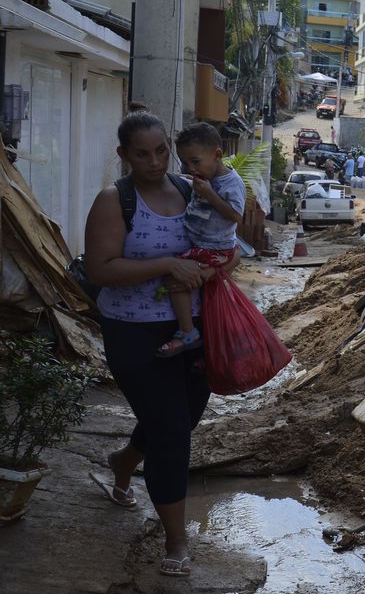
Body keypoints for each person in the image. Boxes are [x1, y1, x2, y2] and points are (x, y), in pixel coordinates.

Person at [84, 111, 232, 578]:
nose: (154, 162)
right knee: (170, 432)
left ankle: (122, 462)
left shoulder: (192, 190)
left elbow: (219, 243)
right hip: (133, 332)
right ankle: (176, 539)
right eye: (142, 154)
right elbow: (101, 270)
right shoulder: (115, 200)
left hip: (193, 330)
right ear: (123, 155)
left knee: (182, 420)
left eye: (161, 151)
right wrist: (168, 265)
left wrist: (213, 267)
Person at [155, 122, 245, 357]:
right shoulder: (203, 178)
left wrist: (209, 194)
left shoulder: (230, 183)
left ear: (217, 155)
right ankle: (206, 346)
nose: (190, 168)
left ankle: (187, 332)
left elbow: (236, 215)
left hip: (214, 248)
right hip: (203, 246)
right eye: (185, 162)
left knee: (176, 279)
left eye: (195, 162)